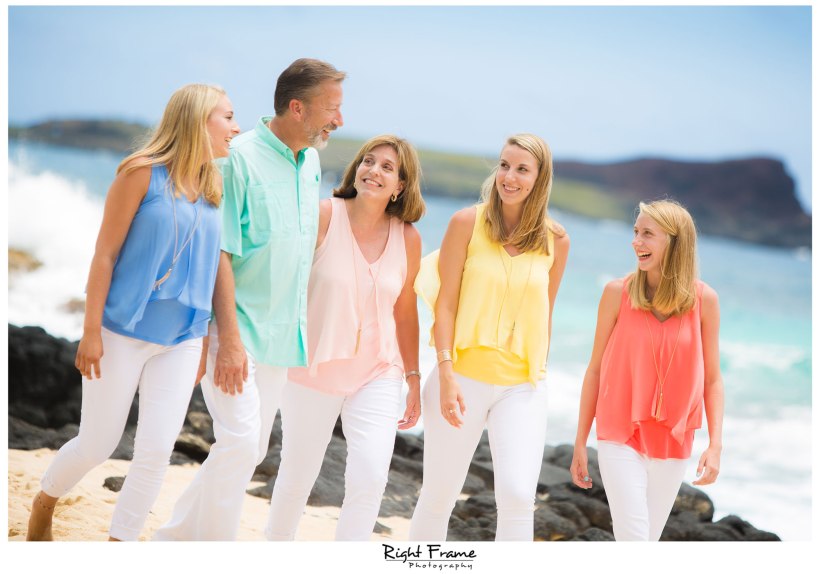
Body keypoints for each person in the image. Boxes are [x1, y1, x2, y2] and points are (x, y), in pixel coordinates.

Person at [25, 84, 239, 541]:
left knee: (157, 451)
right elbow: (105, 255)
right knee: (98, 443)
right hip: (120, 330)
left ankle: (119, 544)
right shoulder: (141, 173)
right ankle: (44, 500)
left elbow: (211, 267)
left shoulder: (214, 184)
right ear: (198, 120)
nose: (235, 128)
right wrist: (90, 331)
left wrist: (202, 340)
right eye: (228, 117)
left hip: (181, 338)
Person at [154, 58, 345, 541]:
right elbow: (219, 251)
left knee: (248, 449)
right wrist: (230, 342)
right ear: (298, 108)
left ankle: (171, 541)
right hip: (235, 330)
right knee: (238, 442)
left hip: (282, 335)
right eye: (332, 109)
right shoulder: (236, 157)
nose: (338, 120)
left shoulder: (313, 162)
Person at [409, 133, 570, 541]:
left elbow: (544, 314)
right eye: (503, 165)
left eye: (521, 169)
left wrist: (540, 373)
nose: (508, 177)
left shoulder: (557, 241)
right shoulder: (467, 222)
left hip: (522, 385)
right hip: (460, 376)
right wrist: (445, 374)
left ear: (540, 177)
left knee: (518, 496)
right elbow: (444, 304)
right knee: (439, 494)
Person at [264, 135, 424, 541]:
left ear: (401, 186)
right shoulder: (323, 215)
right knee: (298, 475)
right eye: (368, 161)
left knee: (371, 477)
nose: (374, 171)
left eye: (388, 167)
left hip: (378, 371)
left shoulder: (407, 237)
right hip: (312, 368)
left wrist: (413, 377)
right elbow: (286, 284)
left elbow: (405, 311)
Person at [569, 199, 724, 541]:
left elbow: (712, 379)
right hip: (619, 433)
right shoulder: (617, 293)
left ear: (675, 241)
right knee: (635, 539)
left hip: (673, 440)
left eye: (647, 234)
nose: (636, 241)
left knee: (645, 543)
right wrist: (580, 441)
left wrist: (715, 445)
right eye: (635, 232)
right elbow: (594, 370)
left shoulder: (704, 301)